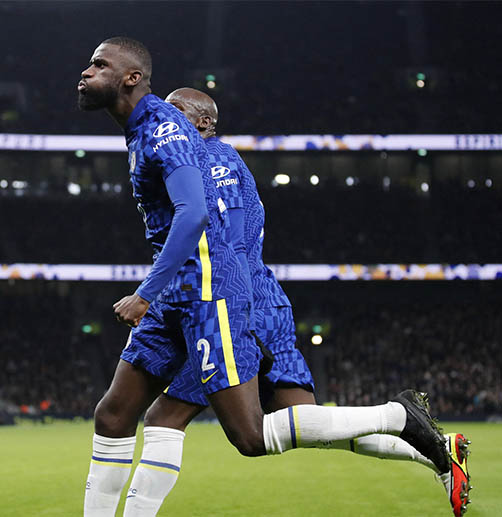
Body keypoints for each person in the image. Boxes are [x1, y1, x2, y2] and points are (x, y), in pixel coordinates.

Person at [77, 36, 450, 517]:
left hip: (215, 294)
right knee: (118, 414)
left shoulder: (177, 137)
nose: (85, 73)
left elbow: (202, 224)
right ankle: (427, 443)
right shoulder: (161, 135)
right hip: (200, 290)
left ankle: (397, 416)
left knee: (252, 435)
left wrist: (148, 292)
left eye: (98, 64)